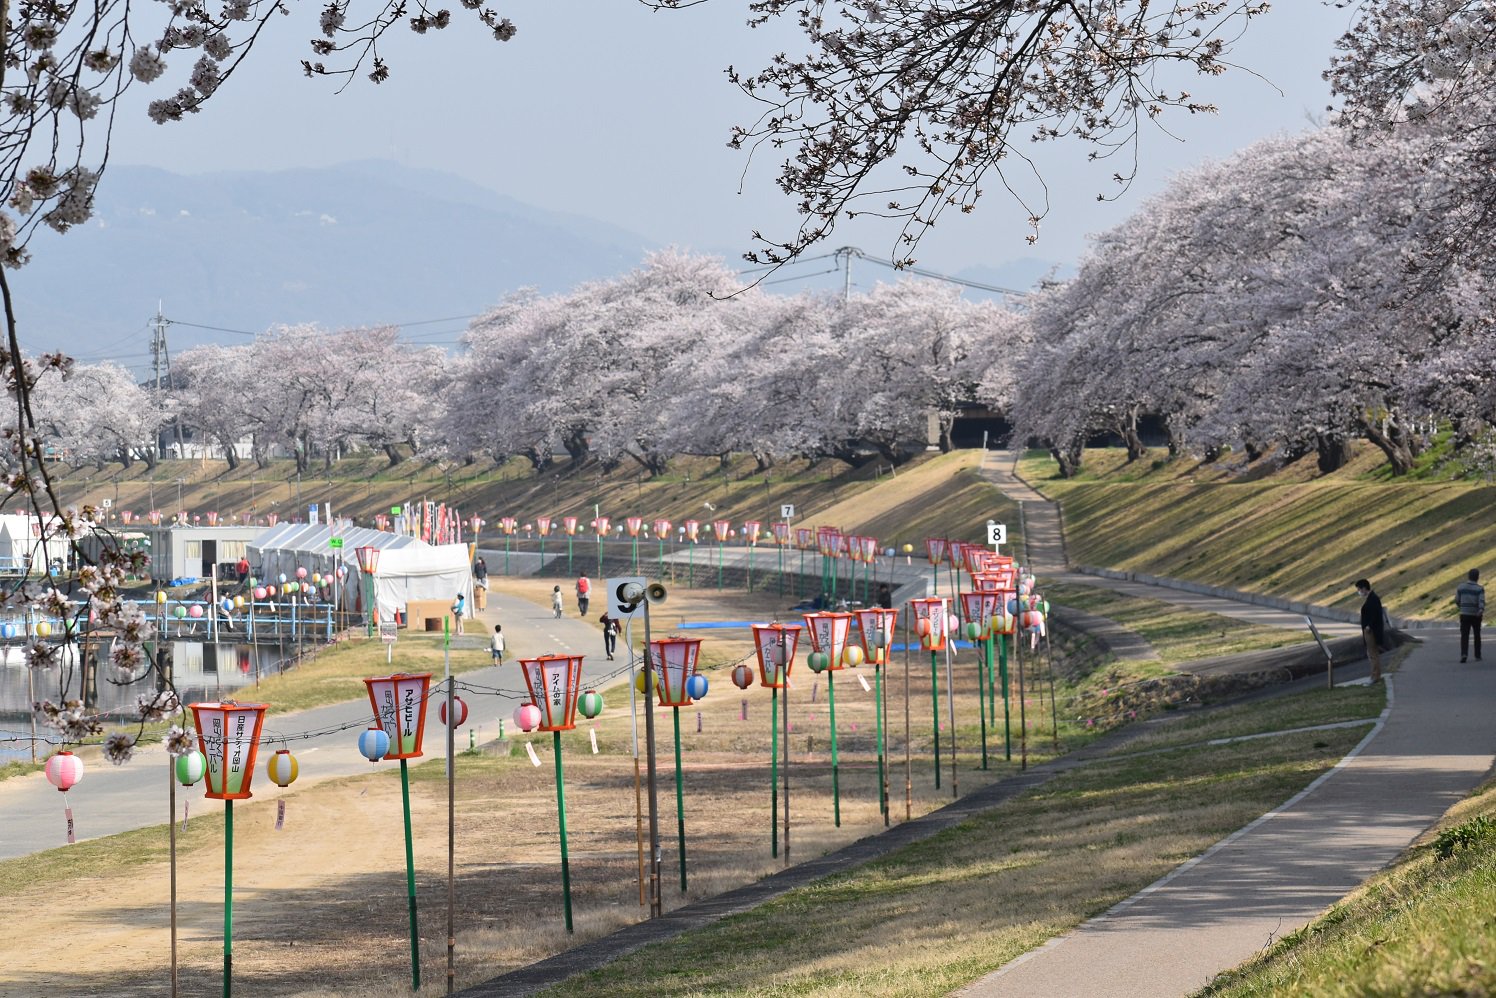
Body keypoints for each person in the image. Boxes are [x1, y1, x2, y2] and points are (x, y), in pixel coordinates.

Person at [1355, 578, 1385, 683]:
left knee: (1373, 654)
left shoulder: (1373, 599)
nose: (1359, 592)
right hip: (1369, 630)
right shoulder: (1371, 598)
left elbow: (1375, 615)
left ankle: (1375, 676)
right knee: (1371, 653)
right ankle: (1375, 675)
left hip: (1370, 631)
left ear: (1364, 588)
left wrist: (1368, 626)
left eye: (1359, 589)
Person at [1456, 568, 1485, 663]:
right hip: (1476, 614)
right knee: (1477, 635)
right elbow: (1481, 601)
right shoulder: (1479, 588)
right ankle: (1477, 655)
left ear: (1468, 576)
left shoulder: (1461, 587)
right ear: (1477, 577)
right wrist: (1480, 609)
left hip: (1464, 613)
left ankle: (1464, 654)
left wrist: (1461, 606)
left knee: (1464, 635)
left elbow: (1457, 599)